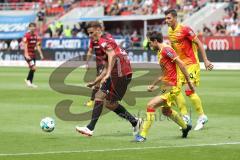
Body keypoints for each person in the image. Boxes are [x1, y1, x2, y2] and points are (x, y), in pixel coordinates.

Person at [76, 21, 142, 136]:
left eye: (91, 32)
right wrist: (95, 82)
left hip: (121, 74)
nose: (90, 36)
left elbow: (112, 55)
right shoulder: (106, 40)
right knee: (104, 100)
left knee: (107, 101)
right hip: (118, 73)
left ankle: (90, 128)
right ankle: (134, 122)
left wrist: (108, 74)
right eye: (88, 33)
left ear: (98, 29)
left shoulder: (103, 41)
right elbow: (107, 65)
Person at [135, 31, 194, 142]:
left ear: (155, 41)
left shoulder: (167, 50)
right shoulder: (160, 52)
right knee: (166, 111)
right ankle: (185, 128)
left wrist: (189, 83)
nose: (150, 45)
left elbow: (181, 63)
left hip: (172, 86)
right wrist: (153, 84)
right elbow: (164, 72)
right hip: (166, 86)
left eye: (150, 43)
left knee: (151, 105)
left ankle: (142, 135)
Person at [164, 9, 214, 130]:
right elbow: (174, 48)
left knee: (189, 91)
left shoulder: (185, 29)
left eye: (169, 18)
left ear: (175, 18)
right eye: (166, 18)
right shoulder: (170, 31)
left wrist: (206, 60)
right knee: (175, 90)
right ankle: (185, 116)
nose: (166, 21)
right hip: (180, 65)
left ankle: (202, 116)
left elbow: (199, 44)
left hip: (191, 64)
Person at [84, 22, 112, 108]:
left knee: (97, 83)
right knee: (101, 82)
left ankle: (92, 101)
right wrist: (87, 63)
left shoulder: (107, 37)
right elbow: (90, 51)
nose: (90, 35)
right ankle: (105, 99)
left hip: (105, 63)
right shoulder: (93, 39)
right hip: (98, 64)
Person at [23, 22, 44, 88]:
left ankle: (30, 82)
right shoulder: (26, 36)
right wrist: (26, 54)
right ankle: (27, 80)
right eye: (31, 27)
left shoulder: (36, 36)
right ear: (29, 28)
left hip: (33, 54)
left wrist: (41, 54)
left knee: (33, 69)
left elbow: (38, 46)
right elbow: (25, 45)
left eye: (34, 27)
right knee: (33, 67)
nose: (33, 28)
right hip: (28, 55)